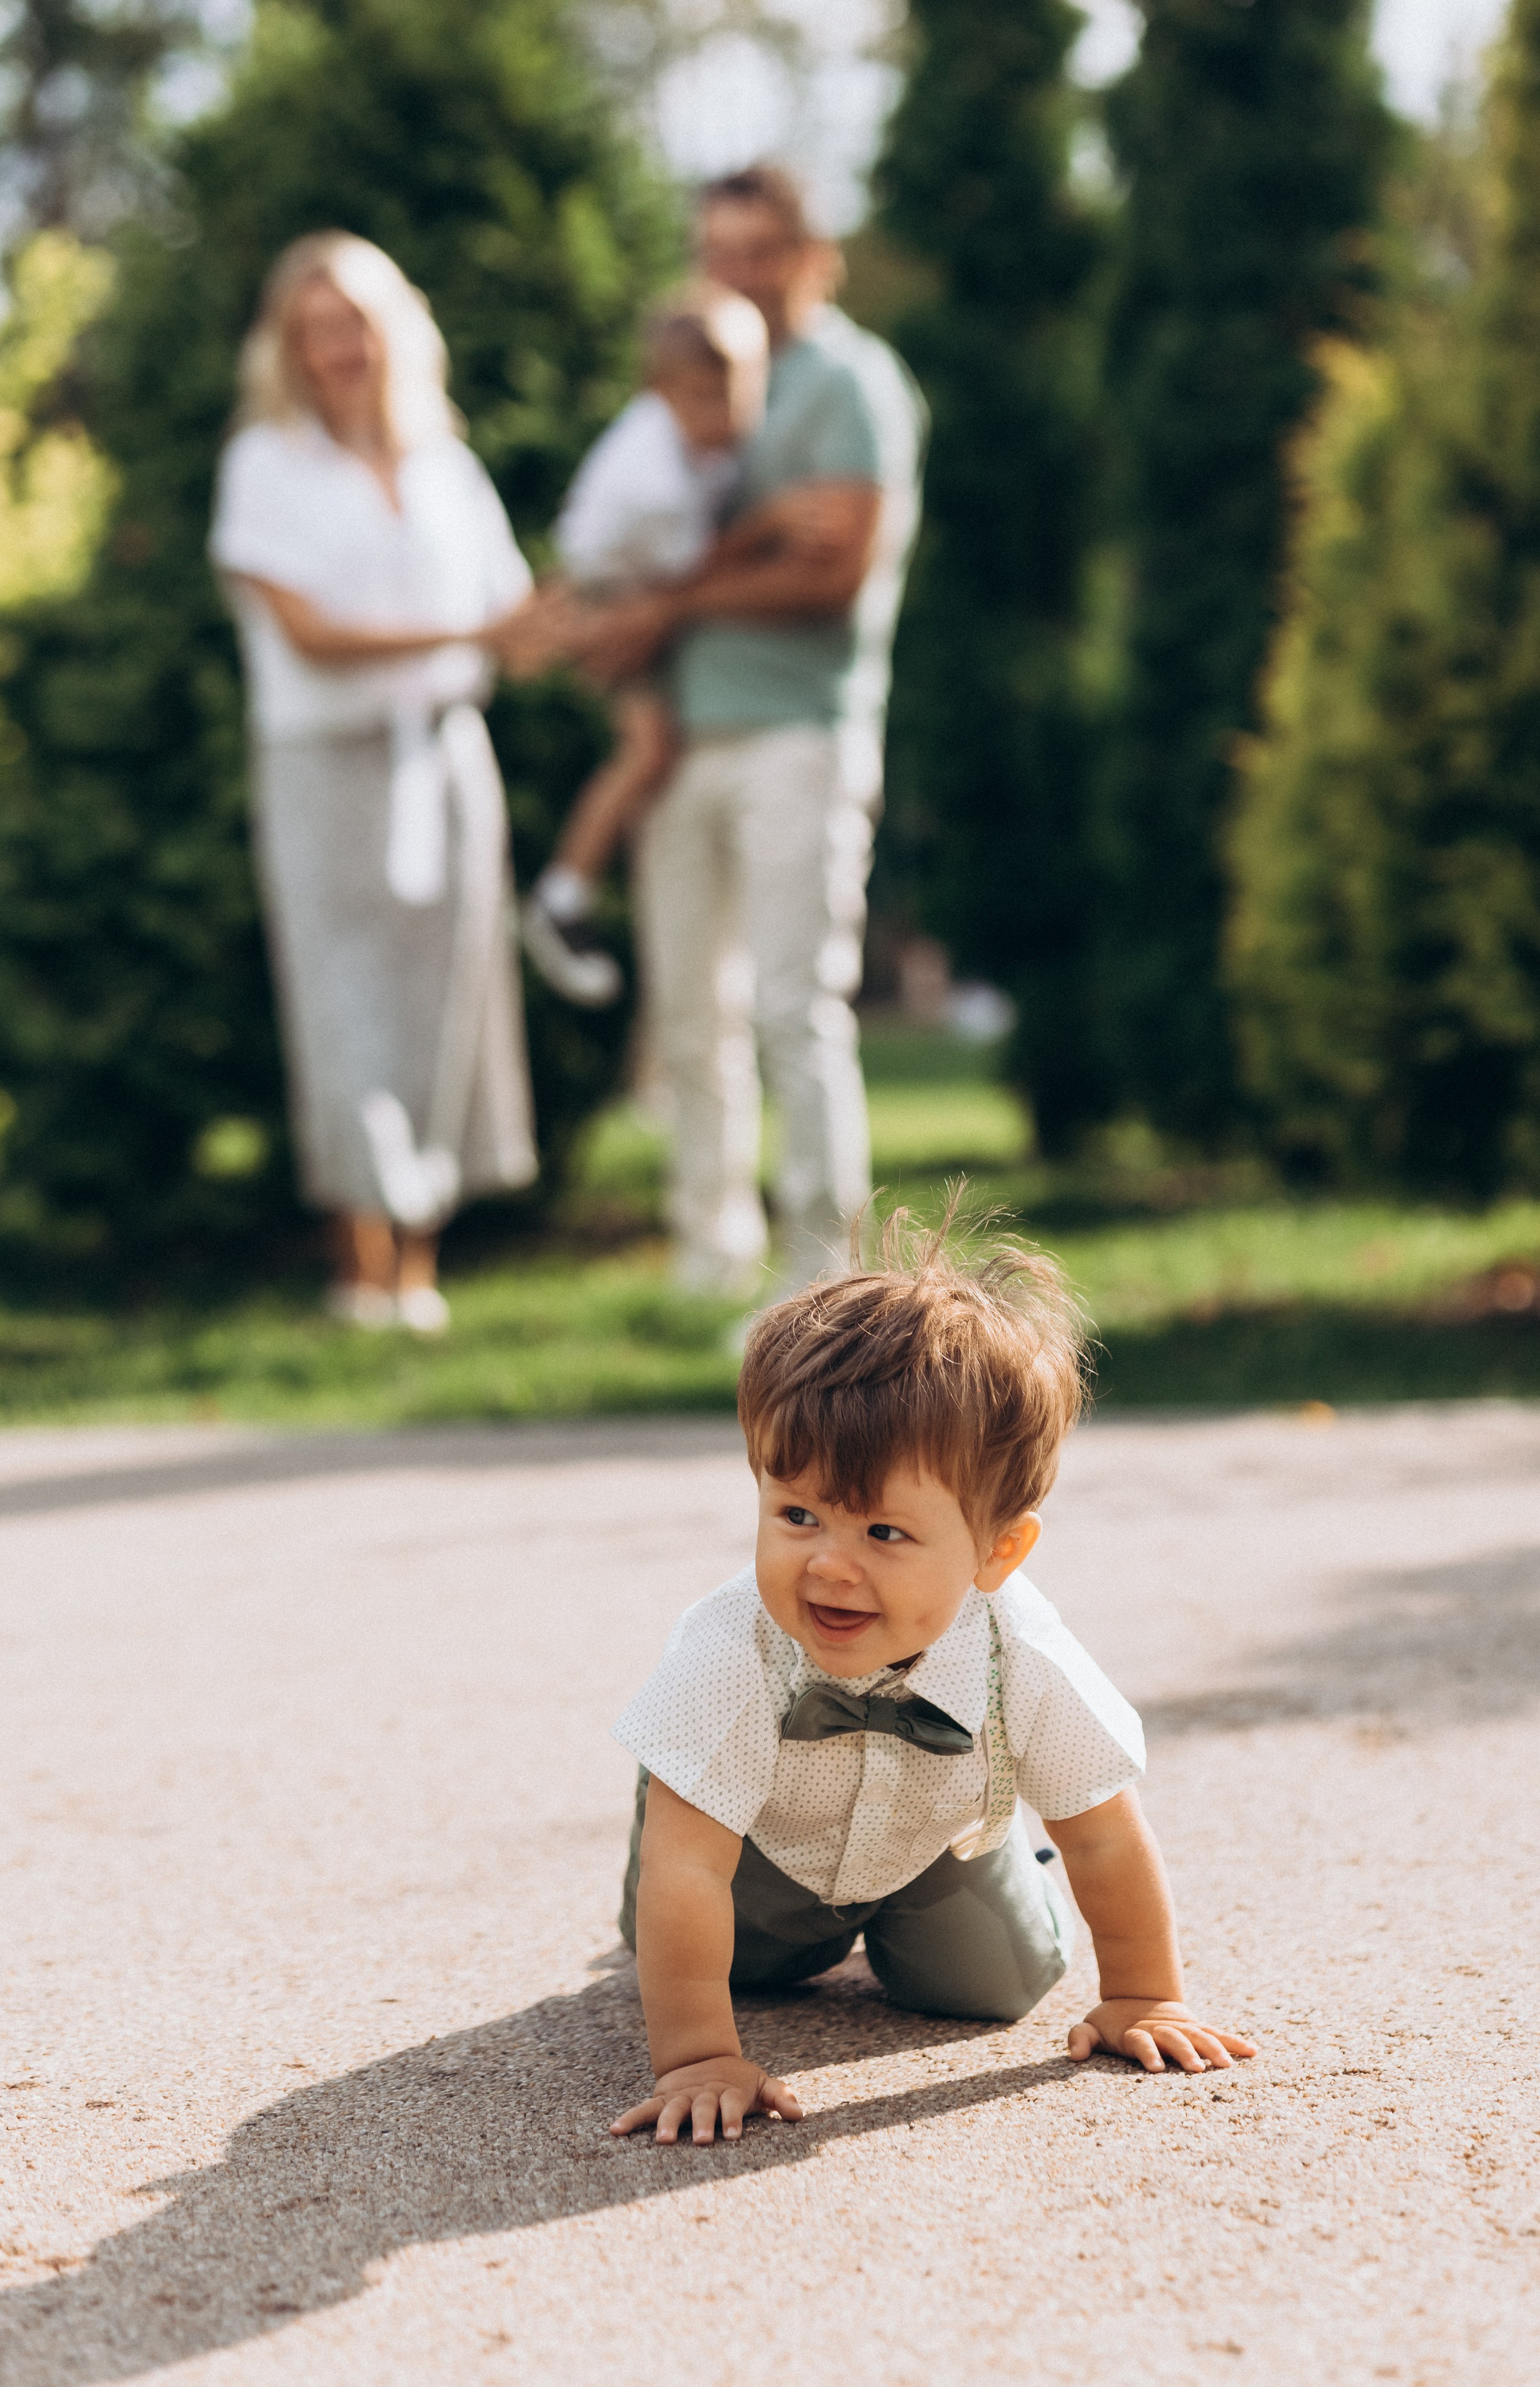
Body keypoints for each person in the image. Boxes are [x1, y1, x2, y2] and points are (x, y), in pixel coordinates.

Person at [608, 1221, 1257, 2145]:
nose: (830, 1567)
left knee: (1000, 1988)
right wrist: (700, 2057)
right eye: (797, 1514)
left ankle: (987, 1883)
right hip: (752, 1856)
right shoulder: (731, 1649)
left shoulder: (1020, 1651)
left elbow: (1106, 1836)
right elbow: (691, 1868)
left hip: (930, 1847)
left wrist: (1145, 1995)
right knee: (713, 1951)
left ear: (998, 1551)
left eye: (883, 1534)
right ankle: (673, 1924)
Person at [575, 165, 927, 1296]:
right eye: (717, 251)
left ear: (812, 255)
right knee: (690, 1017)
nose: (737, 273)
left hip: (800, 732)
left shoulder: (853, 384)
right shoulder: (688, 384)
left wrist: (668, 605)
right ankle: (706, 1261)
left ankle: (823, 1279)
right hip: (681, 742)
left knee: (793, 1008)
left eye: (760, 250)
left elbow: (834, 572)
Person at [209, 232, 538, 1333]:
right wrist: (467, 632)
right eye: (316, 328)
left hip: (447, 754)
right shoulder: (266, 464)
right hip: (327, 759)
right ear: (289, 347)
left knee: (445, 993)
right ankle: (361, 1266)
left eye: (354, 322)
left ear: (395, 330)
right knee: (341, 997)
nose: (338, 347)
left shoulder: (450, 466)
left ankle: (420, 1264)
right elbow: (307, 634)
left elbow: (517, 622)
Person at [519, 283, 770, 1010]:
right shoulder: (653, 479)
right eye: (703, 400)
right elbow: (687, 577)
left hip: (630, 585)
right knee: (649, 753)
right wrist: (767, 528)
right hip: (608, 594)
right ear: (660, 393)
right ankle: (563, 893)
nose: (725, 418)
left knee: (657, 755)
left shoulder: (688, 437)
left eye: (738, 396)